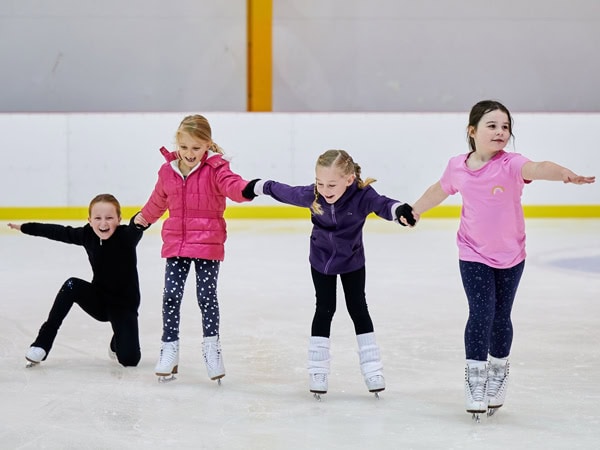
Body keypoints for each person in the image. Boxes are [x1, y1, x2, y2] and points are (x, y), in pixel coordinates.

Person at [408, 100, 595, 420]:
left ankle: (497, 371)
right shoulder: (458, 166)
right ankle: (475, 379)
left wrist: (563, 173)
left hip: (511, 255)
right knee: (481, 312)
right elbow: (438, 190)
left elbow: (538, 167)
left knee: (500, 316)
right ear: (472, 131)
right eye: (492, 126)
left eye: (505, 127)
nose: (500, 132)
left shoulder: (511, 164)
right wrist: (415, 210)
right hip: (473, 253)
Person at [242, 149, 415, 398]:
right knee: (324, 308)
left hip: (353, 260)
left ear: (348, 179)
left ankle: (373, 369)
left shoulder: (362, 195)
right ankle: (317, 370)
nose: (325, 189)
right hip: (321, 259)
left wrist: (400, 212)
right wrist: (257, 186)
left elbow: (384, 205)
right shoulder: (313, 195)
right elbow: (282, 191)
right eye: (320, 183)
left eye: (331, 184)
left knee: (358, 308)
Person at [134, 114, 255, 383]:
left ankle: (212, 349)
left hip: (208, 243)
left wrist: (248, 189)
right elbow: (157, 201)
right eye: (185, 147)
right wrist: (141, 219)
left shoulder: (216, 169)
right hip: (176, 242)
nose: (190, 154)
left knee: (206, 296)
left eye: (196, 148)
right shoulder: (167, 171)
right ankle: (169, 349)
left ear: (208, 145)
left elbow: (233, 186)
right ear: (177, 143)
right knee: (170, 297)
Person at [8, 193, 148, 368]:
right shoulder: (87, 235)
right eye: (97, 218)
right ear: (89, 220)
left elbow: (138, 224)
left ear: (119, 219)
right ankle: (42, 343)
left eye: (109, 218)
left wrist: (138, 220)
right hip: (99, 301)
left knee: (129, 360)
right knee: (71, 284)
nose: (103, 223)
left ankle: (117, 338)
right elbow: (57, 232)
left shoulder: (126, 237)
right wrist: (25, 228)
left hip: (124, 306)